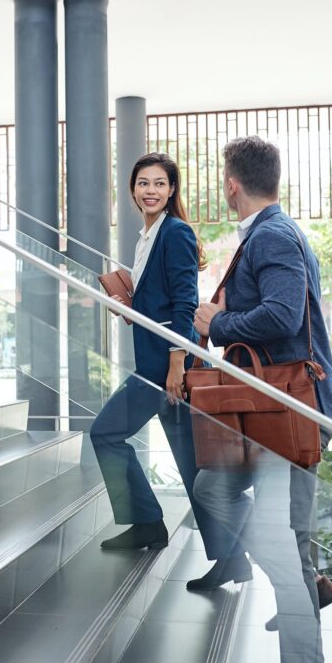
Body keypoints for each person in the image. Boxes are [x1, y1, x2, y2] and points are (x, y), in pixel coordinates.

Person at [192, 136, 332, 663]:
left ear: (232, 185)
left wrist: (220, 322)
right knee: (212, 488)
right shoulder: (270, 233)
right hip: (270, 408)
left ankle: (302, 629)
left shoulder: (273, 236)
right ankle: (300, 578)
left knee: (290, 549)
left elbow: (282, 316)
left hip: (291, 411)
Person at [90, 152, 251, 591]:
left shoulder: (175, 233)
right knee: (191, 463)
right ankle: (230, 556)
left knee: (104, 433)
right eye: (143, 183)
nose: (151, 191)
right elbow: (159, 303)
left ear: (172, 190)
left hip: (165, 367)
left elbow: (184, 303)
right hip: (157, 362)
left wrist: (177, 365)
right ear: (132, 190)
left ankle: (145, 523)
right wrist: (130, 305)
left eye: (160, 183)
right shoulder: (148, 236)